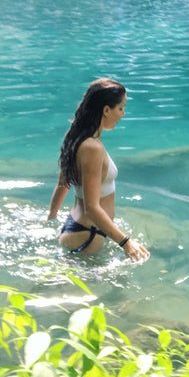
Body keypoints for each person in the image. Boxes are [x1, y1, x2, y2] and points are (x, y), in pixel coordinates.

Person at [47, 78, 149, 260]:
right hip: (88, 234)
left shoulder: (75, 136)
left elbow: (63, 184)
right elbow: (92, 207)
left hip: (77, 228)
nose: (123, 114)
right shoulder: (92, 148)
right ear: (106, 110)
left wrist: (51, 216)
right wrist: (126, 242)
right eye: (120, 108)